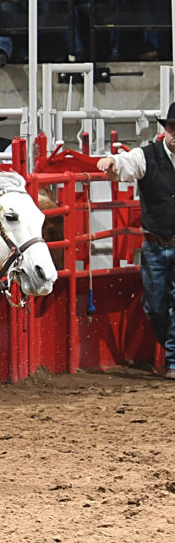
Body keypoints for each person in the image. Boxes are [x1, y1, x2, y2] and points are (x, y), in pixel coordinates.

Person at [97, 103, 175, 373]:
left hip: (161, 243)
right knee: (154, 307)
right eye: (172, 128)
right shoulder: (148, 156)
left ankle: (174, 360)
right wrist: (112, 161)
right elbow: (126, 163)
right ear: (165, 130)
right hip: (154, 243)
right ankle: (172, 350)